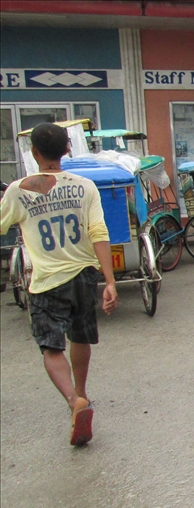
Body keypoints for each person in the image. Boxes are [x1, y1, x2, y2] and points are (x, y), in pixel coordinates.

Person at [0, 123, 118, 447]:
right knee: (81, 336)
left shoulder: (18, 190)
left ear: (34, 153)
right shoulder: (85, 187)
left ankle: (73, 400)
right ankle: (81, 392)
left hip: (47, 281)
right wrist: (109, 281)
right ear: (68, 149)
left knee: (51, 347)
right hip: (84, 275)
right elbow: (99, 233)